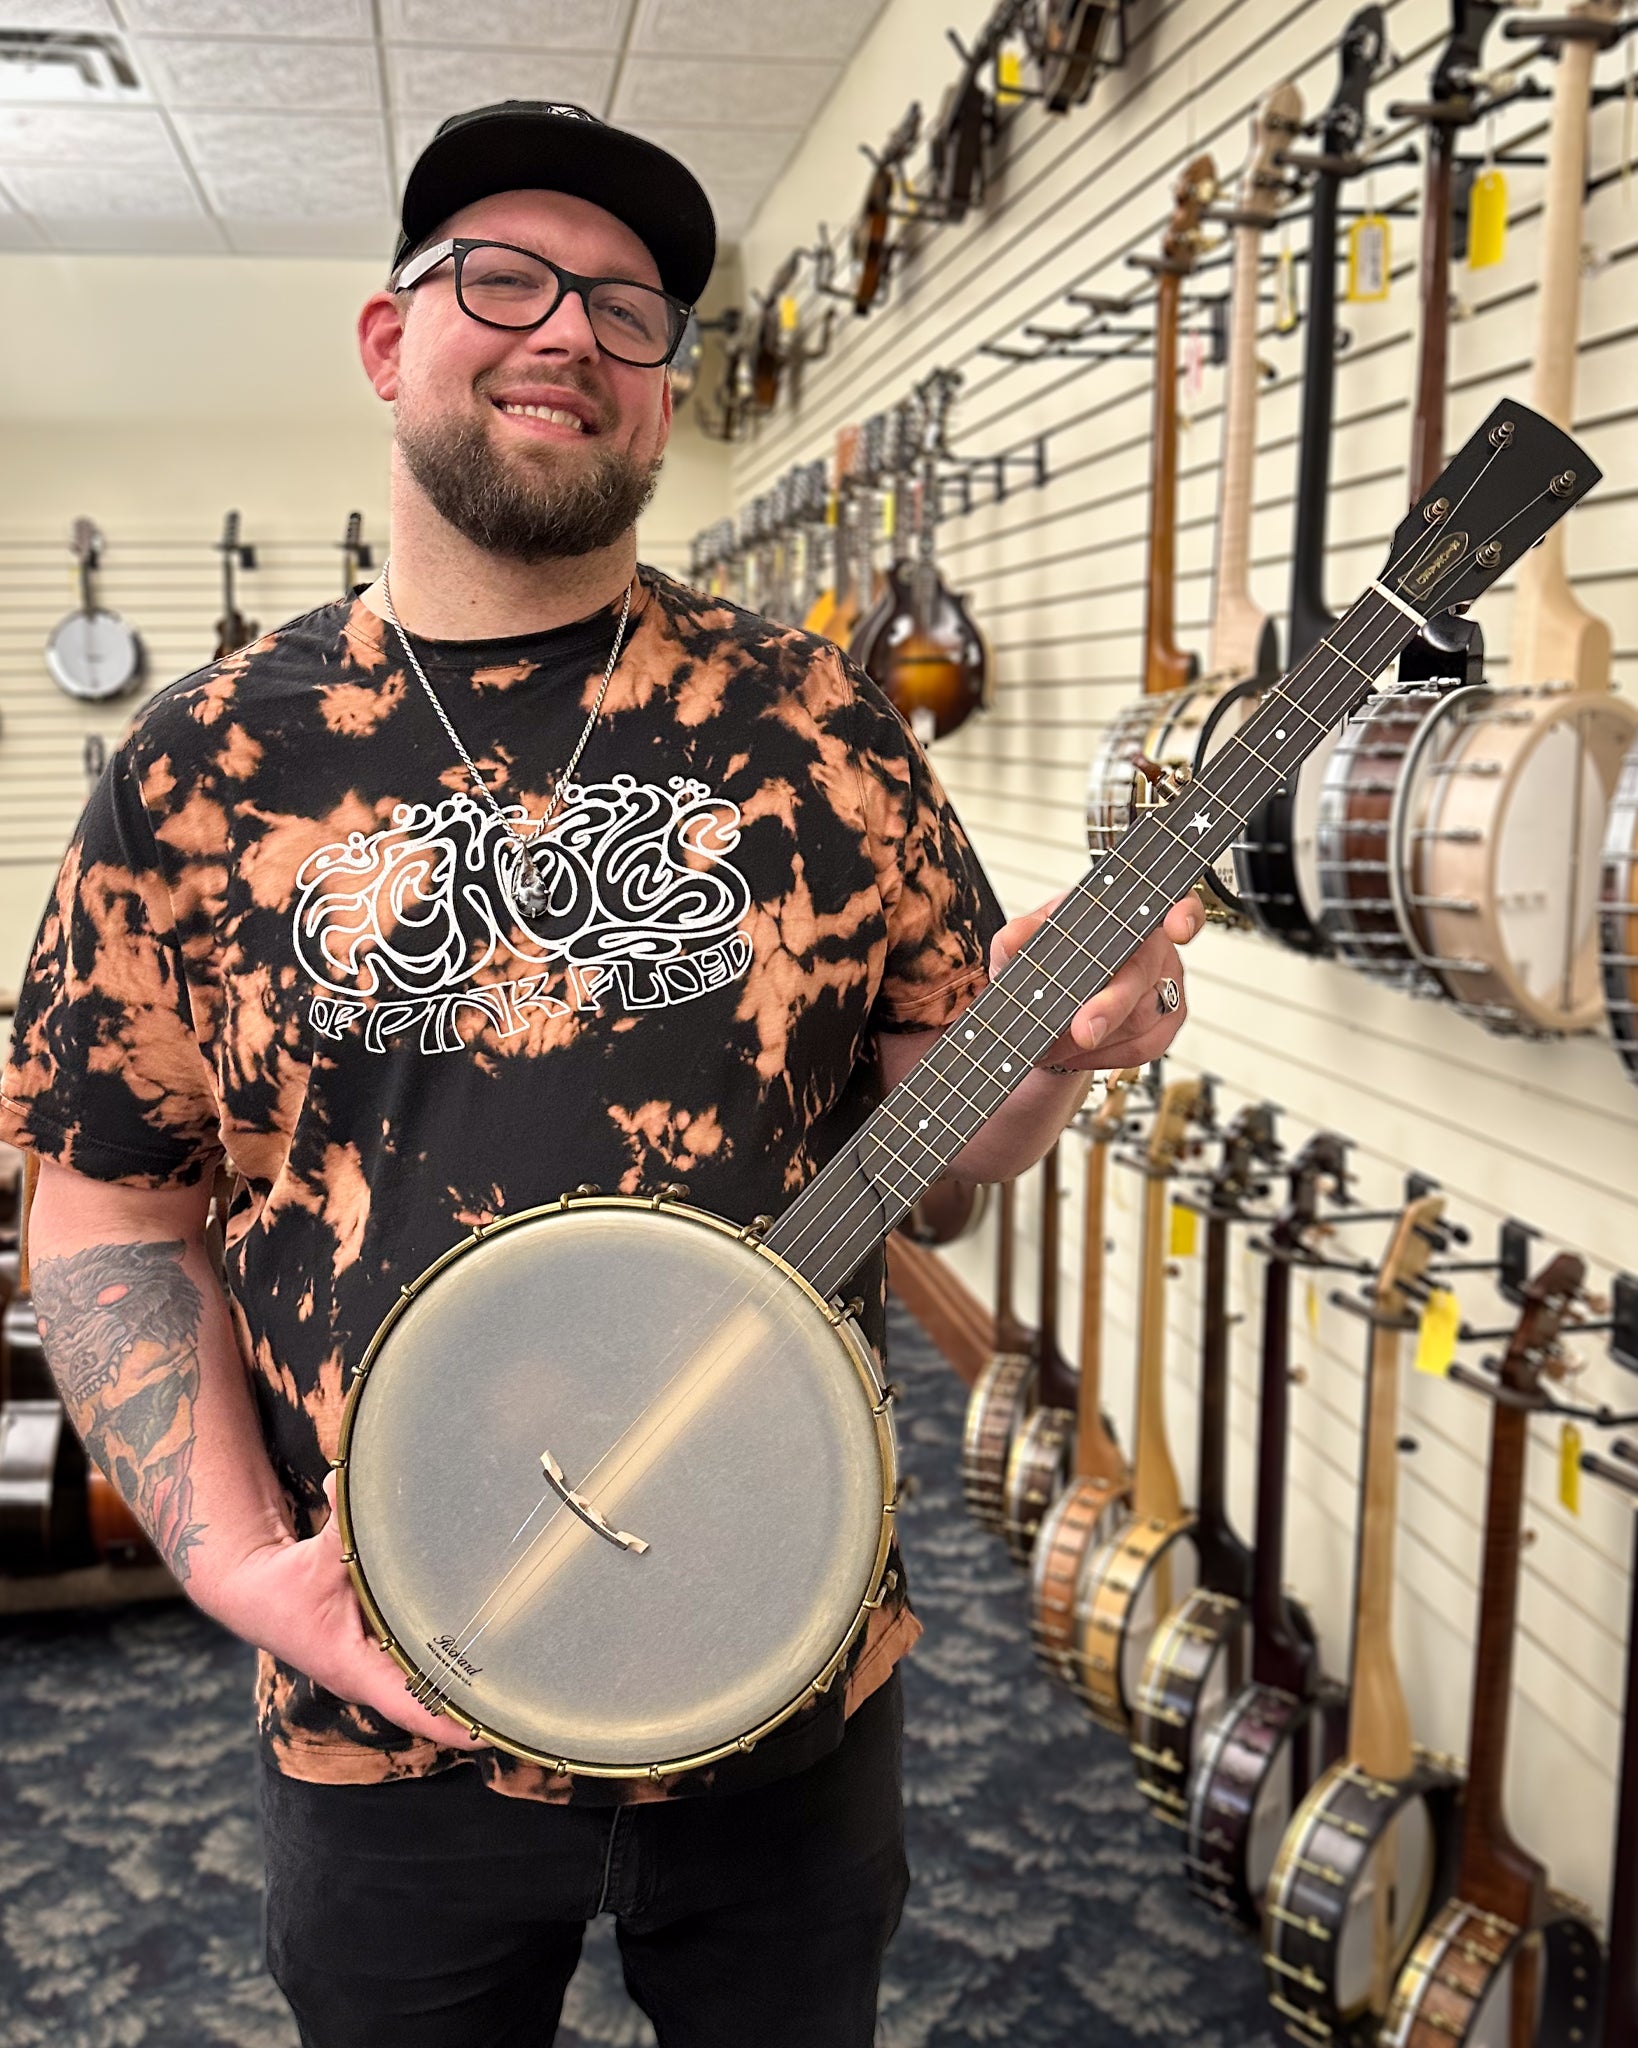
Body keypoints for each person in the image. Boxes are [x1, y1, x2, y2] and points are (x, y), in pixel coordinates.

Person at [1, 103, 1199, 2048]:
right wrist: (241, 1571)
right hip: (390, 1701)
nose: (568, 330)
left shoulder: (823, 730)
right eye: (506, 278)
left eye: (629, 308)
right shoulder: (201, 763)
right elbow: (108, 1202)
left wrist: (1051, 1055)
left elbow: (944, 1164)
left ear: (661, 394)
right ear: (391, 342)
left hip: (785, 1675)